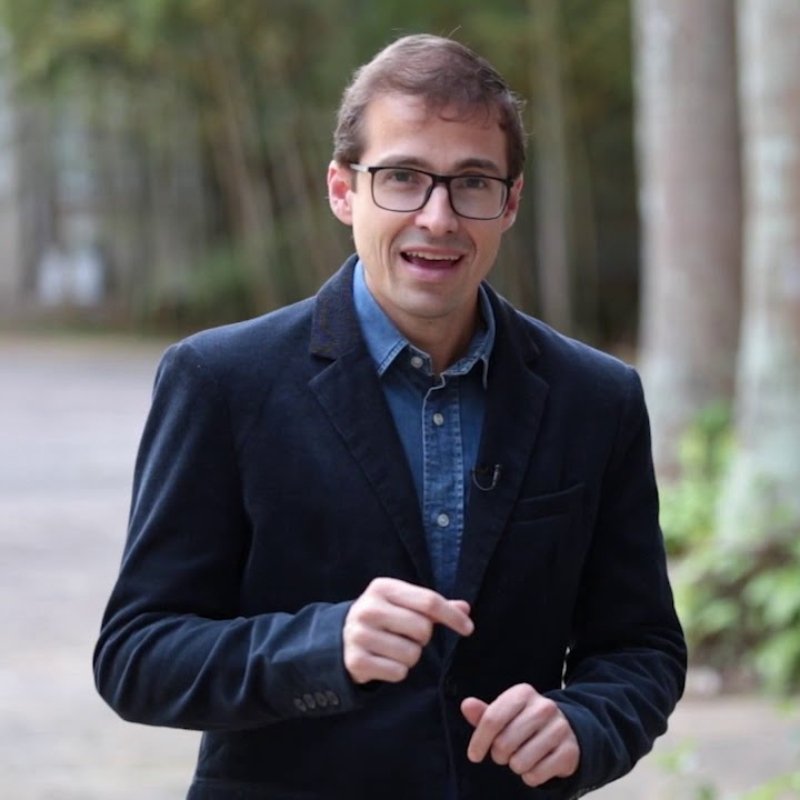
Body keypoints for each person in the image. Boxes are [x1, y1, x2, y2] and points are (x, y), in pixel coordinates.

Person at [94, 33, 686, 799]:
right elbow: (137, 656)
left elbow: (642, 647)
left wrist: (586, 723)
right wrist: (322, 646)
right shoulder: (221, 380)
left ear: (510, 202)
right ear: (343, 191)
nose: (438, 218)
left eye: (472, 183)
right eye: (403, 177)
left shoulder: (597, 397)